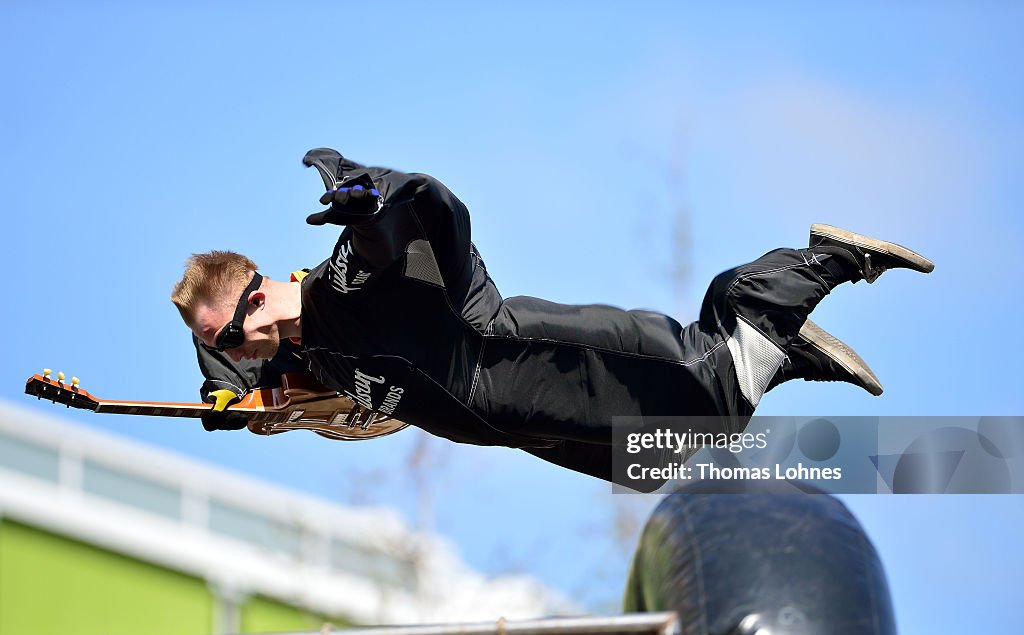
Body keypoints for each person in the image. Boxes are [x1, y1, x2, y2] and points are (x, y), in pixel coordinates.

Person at [170, 148, 933, 486]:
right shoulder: (314, 355)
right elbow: (262, 379)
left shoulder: (341, 285)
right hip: (518, 421)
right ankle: (788, 350)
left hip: (522, 360)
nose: (239, 351)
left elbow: (399, 219)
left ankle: (820, 264)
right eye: (224, 348)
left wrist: (367, 194)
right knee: (669, 451)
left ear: (260, 293)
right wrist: (221, 393)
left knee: (708, 371)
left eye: (232, 336)